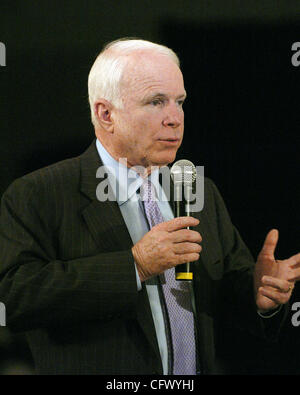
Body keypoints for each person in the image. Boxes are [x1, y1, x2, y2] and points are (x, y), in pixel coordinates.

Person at [0, 38, 299, 375]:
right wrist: (135, 266)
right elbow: (15, 298)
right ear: (106, 113)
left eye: (180, 102)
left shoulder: (198, 189)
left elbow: (226, 292)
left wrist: (260, 295)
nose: (175, 118)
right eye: (156, 102)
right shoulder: (40, 194)